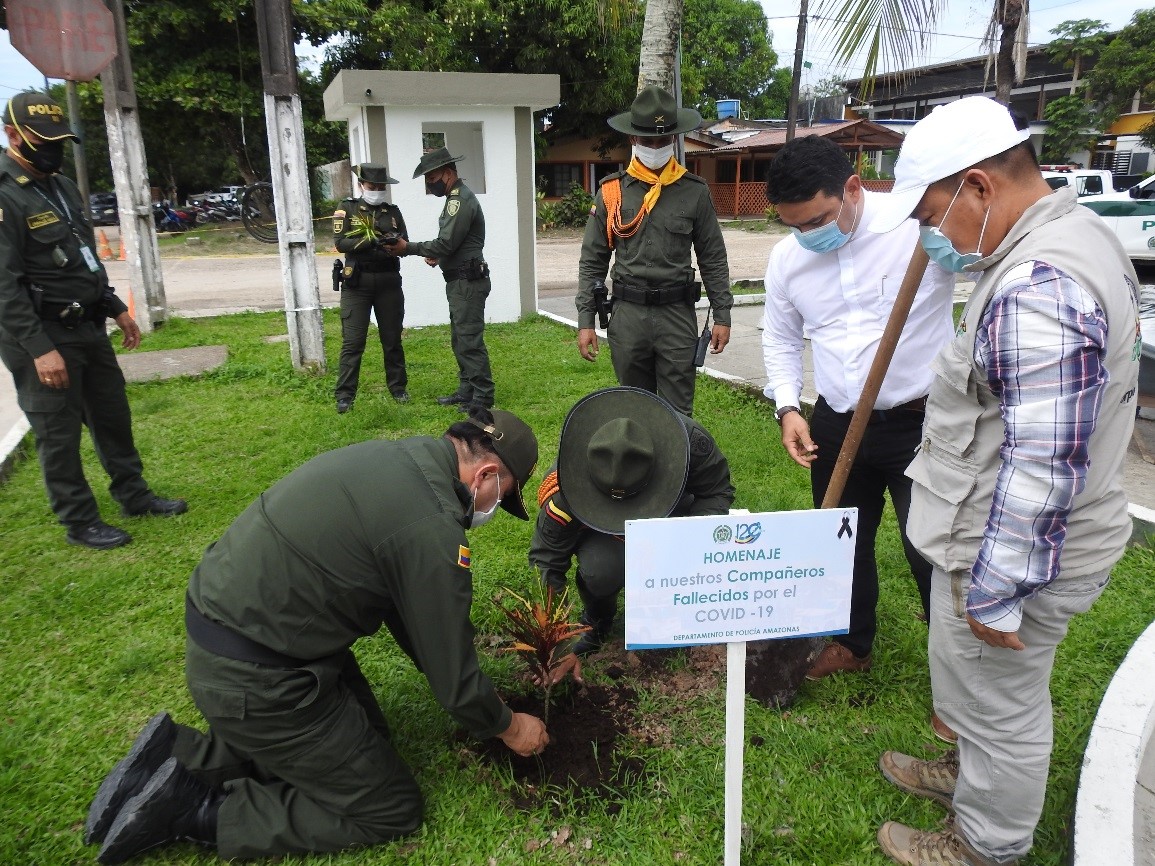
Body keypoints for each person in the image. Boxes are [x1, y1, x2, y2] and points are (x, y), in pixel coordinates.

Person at [85, 408, 547, 863]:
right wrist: (508, 726)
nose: (491, 511)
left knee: (368, 740)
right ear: (486, 474)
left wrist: (445, 661)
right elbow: (454, 679)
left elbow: (415, 622)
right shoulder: (429, 527)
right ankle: (194, 810)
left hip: (237, 628)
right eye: (502, 498)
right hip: (255, 677)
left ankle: (177, 757)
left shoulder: (399, 458)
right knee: (388, 805)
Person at [867, 96, 1141, 866]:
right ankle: (967, 777)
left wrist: (998, 587)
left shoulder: (1036, 287)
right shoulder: (1073, 235)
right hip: (995, 535)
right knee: (978, 690)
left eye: (930, 213)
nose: (930, 236)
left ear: (979, 189)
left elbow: (1042, 461)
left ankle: (985, 842)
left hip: (1006, 554)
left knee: (1001, 705)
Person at [761, 135, 955, 686]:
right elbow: (779, 338)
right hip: (838, 420)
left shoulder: (916, 226)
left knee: (931, 547)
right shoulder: (787, 260)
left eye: (818, 219)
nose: (807, 236)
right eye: (794, 226)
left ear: (852, 188)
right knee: (843, 539)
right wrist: (787, 409)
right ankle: (852, 643)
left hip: (922, 422)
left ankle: (956, 666)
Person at [0, 91, 185, 550]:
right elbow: (3, 285)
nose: (53, 149)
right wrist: (40, 349)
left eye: (59, 139)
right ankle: (79, 519)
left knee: (111, 415)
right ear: (12, 135)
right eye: (42, 140)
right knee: (57, 431)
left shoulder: (60, 186)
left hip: (86, 324)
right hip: (41, 333)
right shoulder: (5, 195)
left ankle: (134, 495)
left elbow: (84, 258)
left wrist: (114, 305)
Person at [529, 386, 734, 682]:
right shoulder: (569, 490)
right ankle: (598, 620)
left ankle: (673, 609)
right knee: (600, 570)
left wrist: (687, 542)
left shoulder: (687, 442)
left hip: (673, 512)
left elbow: (716, 491)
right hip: (604, 533)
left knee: (678, 562)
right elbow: (546, 560)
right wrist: (556, 640)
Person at [576, 85, 733, 416]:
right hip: (628, 316)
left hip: (676, 315)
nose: (656, 146)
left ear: (674, 139)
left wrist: (722, 313)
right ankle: (641, 468)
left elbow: (713, 258)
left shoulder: (694, 192)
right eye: (648, 140)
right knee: (634, 407)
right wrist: (585, 320)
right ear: (634, 139)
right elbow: (592, 262)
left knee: (679, 412)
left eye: (664, 140)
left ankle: (679, 468)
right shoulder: (612, 192)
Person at [389, 147, 494, 412]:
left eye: (431, 177)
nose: (429, 184)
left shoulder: (459, 200)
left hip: (467, 282)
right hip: (460, 280)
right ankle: (467, 390)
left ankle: (482, 397)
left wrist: (408, 248)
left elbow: (446, 242)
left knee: (469, 339)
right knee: (460, 339)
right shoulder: (454, 199)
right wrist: (440, 256)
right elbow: (455, 243)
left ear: (447, 174)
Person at [332, 163, 409, 413]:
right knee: (353, 342)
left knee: (392, 339)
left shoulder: (393, 212)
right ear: (361, 185)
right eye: (371, 186)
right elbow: (340, 243)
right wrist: (371, 240)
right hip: (358, 283)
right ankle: (345, 395)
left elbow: (404, 242)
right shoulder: (348, 209)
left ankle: (398, 388)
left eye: (380, 187)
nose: (376, 191)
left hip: (388, 281)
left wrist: (394, 244)